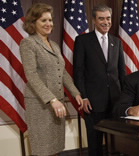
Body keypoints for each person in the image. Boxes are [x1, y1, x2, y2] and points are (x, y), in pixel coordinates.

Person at [19, 3, 83, 156]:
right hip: (41, 104)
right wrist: (52, 100)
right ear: (33, 23)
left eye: (50, 20)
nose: (48, 24)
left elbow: (63, 73)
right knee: (43, 148)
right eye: (43, 20)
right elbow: (32, 76)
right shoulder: (28, 43)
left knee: (55, 147)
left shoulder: (54, 44)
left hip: (57, 103)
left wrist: (76, 93)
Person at [73, 4, 126, 156]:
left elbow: (121, 73)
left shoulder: (117, 42)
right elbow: (79, 71)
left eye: (108, 18)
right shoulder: (83, 40)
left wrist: (125, 99)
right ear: (94, 20)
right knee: (95, 143)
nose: (106, 22)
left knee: (116, 143)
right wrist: (83, 96)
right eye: (101, 18)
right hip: (93, 102)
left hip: (115, 102)